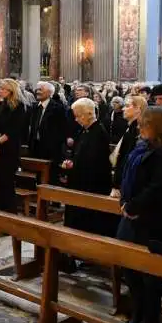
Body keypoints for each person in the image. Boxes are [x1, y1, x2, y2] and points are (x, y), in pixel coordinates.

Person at [116, 106, 162, 323]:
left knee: (148, 273)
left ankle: (150, 318)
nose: (140, 127)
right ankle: (137, 310)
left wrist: (134, 205)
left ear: (157, 125)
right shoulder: (141, 146)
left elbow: (158, 186)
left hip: (151, 218)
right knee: (129, 267)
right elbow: (126, 175)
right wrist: (124, 201)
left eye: (144, 124)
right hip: (130, 214)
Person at [60, 97, 113, 235]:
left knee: (87, 223)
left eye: (78, 116)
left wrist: (73, 166)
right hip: (79, 181)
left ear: (89, 113)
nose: (76, 120)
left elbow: (93, 162)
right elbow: (77, 153)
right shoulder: (84, 130)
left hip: (91, 185)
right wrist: (70, 162)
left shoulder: (99, 133)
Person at [0, 79, 27, 212]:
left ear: (11, 91)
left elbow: (13, 130)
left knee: (6, 183)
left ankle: (10, 214)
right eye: (0, 89)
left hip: (9, 148)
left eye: (3, 89)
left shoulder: (19, 106)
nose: (0, 91)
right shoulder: (0, 105)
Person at [28, 81, 67, 177]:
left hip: (50, 149)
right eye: (37, 89)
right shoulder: (34, 107)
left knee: (50, 175)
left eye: (41, 89)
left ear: (50, 93)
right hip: (35, 146)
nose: (38, 92)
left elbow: (62, 129)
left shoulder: (58, 108)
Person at [110, 96, 147, 198]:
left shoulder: (138, 130)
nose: (123, 109)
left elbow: (129, 159)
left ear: (138, 109)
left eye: (127, 106)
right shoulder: (131, 127)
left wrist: (117, 185)